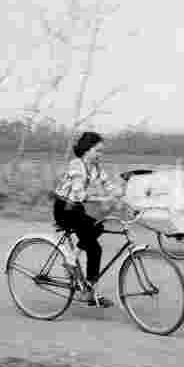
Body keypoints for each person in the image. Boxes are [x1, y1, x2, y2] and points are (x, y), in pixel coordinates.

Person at [53, 131, 123, 308]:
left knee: (96, 244)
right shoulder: (76, 166)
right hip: (64, 208)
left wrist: (120, 192)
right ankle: (72, 261)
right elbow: (79, 194)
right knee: (94, 232)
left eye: (102, 151)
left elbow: (108, 185)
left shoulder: (96, 168)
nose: (101, 154)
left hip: (76, 208)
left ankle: (88, 290)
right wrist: (103, 199)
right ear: (86, 149)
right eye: (98, 150)